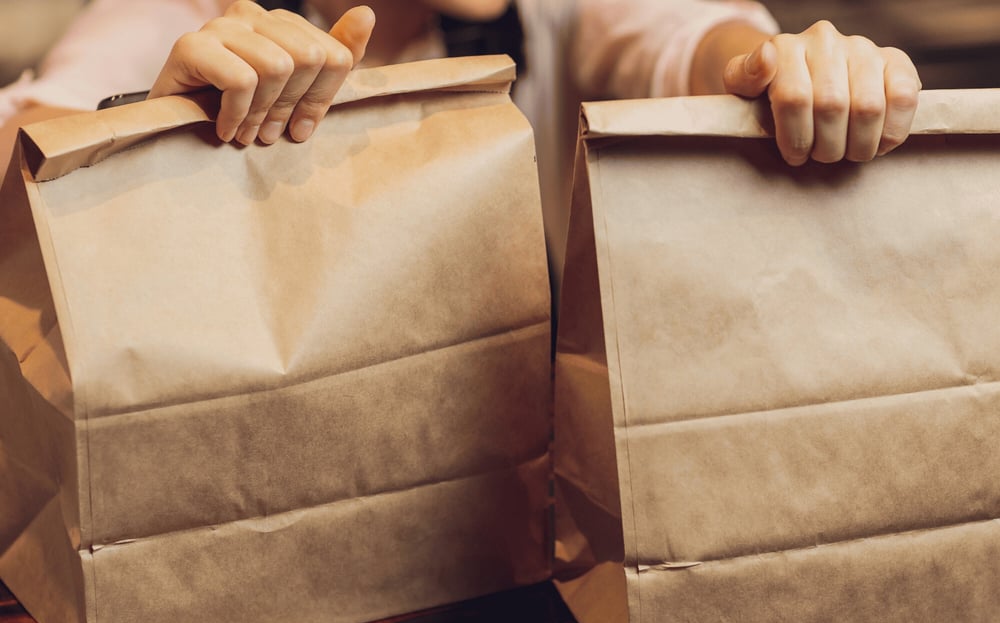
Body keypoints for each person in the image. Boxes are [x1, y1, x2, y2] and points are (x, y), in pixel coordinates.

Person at [0, 0, 921, 274]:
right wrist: (150, 110)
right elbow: (27, 134)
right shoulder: (190, 7)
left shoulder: (555, 12)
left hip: (509, 531)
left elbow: (691, 39)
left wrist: (787, 62)